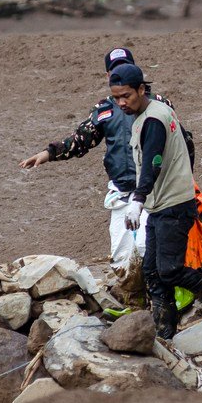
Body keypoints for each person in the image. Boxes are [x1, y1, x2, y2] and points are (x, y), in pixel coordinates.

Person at [108, 63, 202, 339]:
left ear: (141, 89)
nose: (121, 103)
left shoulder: (153, 120)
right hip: (161, 205)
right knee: (152, 270)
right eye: (116, 98)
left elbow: (152, 162)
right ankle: (165, 329)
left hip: (173, 205)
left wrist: (137, 200)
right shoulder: (152, 113)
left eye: (126, 96)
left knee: (169, 269)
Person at [19, 47, 146, 270]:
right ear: (108, 76)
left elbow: (180, 144)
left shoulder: (156, 105)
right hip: (121, 191)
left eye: (125, 68)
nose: (120, 74)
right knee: (121, 260)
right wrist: (48, 154)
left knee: (149, 249)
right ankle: (134, 292)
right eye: (115, 70)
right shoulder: (104, 109)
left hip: (153, 190)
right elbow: (81, 140)